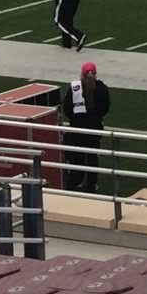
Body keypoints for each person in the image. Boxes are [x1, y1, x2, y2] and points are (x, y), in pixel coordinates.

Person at [60, 61, 111, 194]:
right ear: (95, 74)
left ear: (81, 74)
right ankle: (91, 185)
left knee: (77, 158)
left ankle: (74, 182)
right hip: (94, 129)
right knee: (92, 157)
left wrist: (74, 119)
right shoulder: (102, 88)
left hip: (77, 129)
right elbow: (105, 108)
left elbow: (67, 108)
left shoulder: (74, 87)